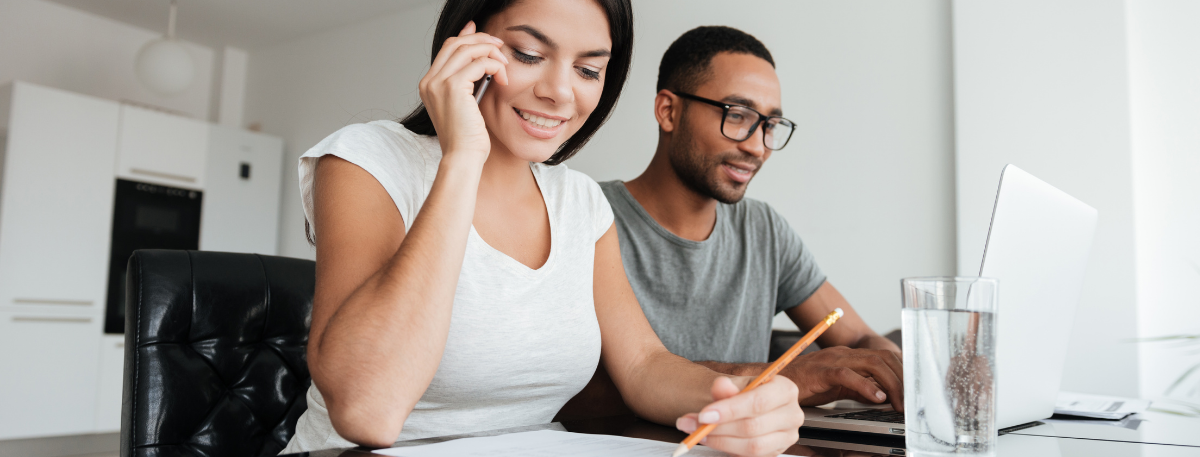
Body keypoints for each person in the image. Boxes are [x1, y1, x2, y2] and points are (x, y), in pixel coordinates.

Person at [281, 2, 803, 455]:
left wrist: (741, 397)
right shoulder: (366, 160)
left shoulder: (580, 201)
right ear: (462, 45)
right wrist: (462, 159)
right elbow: (367, 412)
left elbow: (644, 366)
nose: (559, 92)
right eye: (528, 55)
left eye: (588, 70)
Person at [560, 26, 904, 421]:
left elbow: (857, 337)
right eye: (737, 116)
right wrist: (783, 377)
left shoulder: (763, 229)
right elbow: (584, 394)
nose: (757, 147)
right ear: (668, 111)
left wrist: (897, 373)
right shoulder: (585, 216)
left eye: (770, 125)